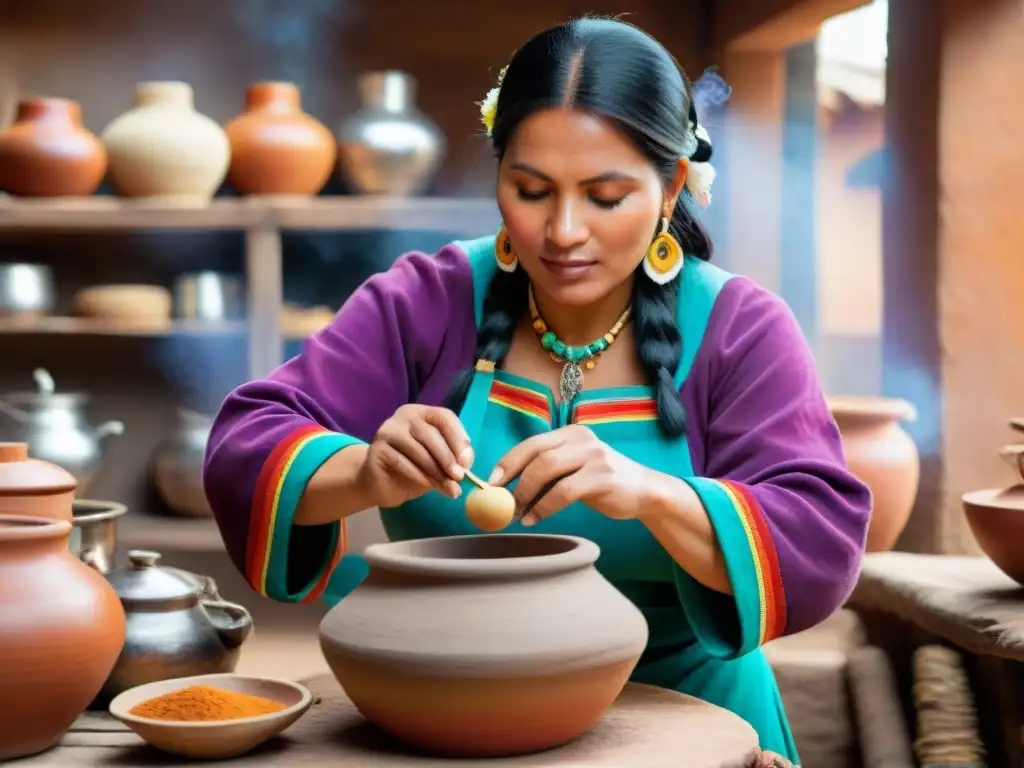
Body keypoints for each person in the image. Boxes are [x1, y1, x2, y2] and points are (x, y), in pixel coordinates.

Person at [203, 17, 871, 767]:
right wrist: (363, 470)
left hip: (696, 727)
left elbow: (818, 533)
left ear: (671, 186)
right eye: (530, 190)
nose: (562, 231)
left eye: (605, 196)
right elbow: (247, 440)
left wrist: (651, 492)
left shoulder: (738, 328)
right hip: (450, 719)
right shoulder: (426, 300)